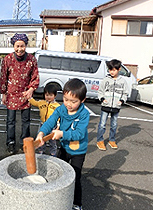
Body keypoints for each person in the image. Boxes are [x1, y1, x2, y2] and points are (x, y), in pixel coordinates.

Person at [36, 78, 90, 210]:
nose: (69, 104)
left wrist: (62, 134)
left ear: (83, 100)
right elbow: (51, 121)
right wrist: (41, 133)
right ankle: (59, 197)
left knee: (75, 177)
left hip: (78, 152)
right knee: (60, 172)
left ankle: (77, 204)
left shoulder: (84, 114)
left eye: (73, 101)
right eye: (66, 99)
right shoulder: (61, 109)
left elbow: (79, 134)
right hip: (64, 147)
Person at [0, 33, 39, 155]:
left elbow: (35, 76)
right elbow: (3, 77)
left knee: (26, 120)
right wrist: (4, 93)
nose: (19, 49)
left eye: (22, 46)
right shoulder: (7, 59)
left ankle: (25, 142)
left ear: (26, 46)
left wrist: (31, 89)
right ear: (13, 46)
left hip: (25, 94)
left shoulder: (32, 59)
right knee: (10, 121)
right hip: (11, 93)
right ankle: (10, 143)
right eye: (17, 46)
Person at [96, 59, 128, 151]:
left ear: (119, 69)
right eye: (110, 70)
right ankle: (100, 140)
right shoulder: (106, 80)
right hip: (105, 105)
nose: (112, 72)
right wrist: (102, 99)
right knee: (102, 124)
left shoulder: (123, 81)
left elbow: (125, 93)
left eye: (114, 70)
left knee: (114, 125)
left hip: (116, 106)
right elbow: (100, 91)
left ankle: (112, 140)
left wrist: (122, 101)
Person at [28, 84, 60, 156]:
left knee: (52, 140)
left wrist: (58, 124)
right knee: (41, 139)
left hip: (53, 126)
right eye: (47, 95)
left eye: (51, 95)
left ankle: (53, 153)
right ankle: (41, 151)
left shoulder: (57, 106)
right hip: (42, 124)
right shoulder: (41, 102)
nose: (48, 97)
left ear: (55, 95)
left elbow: (59, 117)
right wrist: (29, 98)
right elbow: (34, 103)